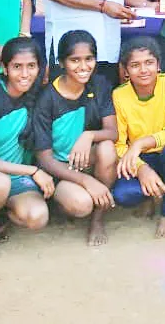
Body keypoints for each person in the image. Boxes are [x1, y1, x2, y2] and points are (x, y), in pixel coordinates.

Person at [0, 37, 55, 263]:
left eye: (31, 66)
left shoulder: (37, 96)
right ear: (5, 68)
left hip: (16, 179)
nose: (25, 74)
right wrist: (32, 171)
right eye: (17, 66)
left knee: (37, 217)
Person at [33, 30, 119, 247]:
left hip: (85, 160)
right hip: (59, 169)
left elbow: (112, 132)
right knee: (81, 205)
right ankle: (60, 205)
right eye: (75, 60)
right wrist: (86, 181)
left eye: (89, 59)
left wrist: (88, 135)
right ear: (62, 62)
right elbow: (44, 159)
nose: (83, 66)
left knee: (107, 148)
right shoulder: (47, 98)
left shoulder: (99, 84)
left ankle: (98, 219)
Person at [111, 37, 165, 238]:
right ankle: (148, 197)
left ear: (158, 65)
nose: (143, 70)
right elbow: (119, 144)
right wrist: (141, 169)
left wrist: (141, 143)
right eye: (135, 65)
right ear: (126, 71)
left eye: (149, 62)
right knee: (123, 194)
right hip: (141, 157)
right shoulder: (119, 95)